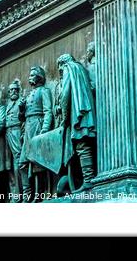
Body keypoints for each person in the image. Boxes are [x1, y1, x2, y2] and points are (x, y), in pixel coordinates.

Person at [55, 53, 97, 191]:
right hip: (86, 109)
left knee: (81, 145)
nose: (59, 71)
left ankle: (88, 180)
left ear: (62, 63)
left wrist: (65, 118)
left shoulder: (68, 68)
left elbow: (66, 95)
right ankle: (88, 178)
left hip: (77, 113)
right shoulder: (80, 69)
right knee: (84, 144)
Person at [18, 66, 54, 202]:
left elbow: (48, 111)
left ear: (39, 76)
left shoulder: (44, 91)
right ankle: (27, 194)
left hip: (37, 125)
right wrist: (21, 109)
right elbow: (21, 118)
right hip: (28, 126)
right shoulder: (28, 95)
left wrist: (44, 129)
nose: (29, 77)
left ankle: (40, 195)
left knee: (38, 162)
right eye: (29, 75)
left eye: (33, 74)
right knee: (22, 163)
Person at [4, 79, 25, 202]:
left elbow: (22, 117)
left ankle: (20, 192)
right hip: (7, 133)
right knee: (9, 165)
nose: (13, 92)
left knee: (18, 161)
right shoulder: (8, 105)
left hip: (16, 131)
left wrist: (21, 109)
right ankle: (13, 193)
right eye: (11, 90)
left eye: (15, 90)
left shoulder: (21, 102)